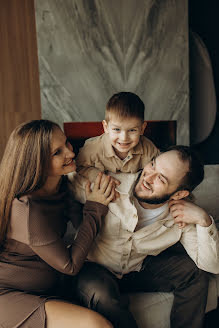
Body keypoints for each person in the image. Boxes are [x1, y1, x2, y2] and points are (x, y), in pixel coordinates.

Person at [71, 145, 219, 328]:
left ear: (179, 194)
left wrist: (204, 221)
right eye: (153, 165)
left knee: (195, 273)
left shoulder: (181, 214)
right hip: (94, 268)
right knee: (102, 295)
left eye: (161, 179)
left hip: (136, 269)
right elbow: (67, 182)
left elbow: (211, 265)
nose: (147, 178)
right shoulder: (112, 183)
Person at [0, 120, 115, 328]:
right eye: (57, 152)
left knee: (103, 295)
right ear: (36, 162)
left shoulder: (61, 186)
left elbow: (83, 229)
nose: (71, 153)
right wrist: (95, 207)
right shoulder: (25, 209)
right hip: (9, 295)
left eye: (67, 144)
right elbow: (70, 265)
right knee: (96, 325)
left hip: (51, 283)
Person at [76, 91, 160, 182]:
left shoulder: (148, 149)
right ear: (106, 127)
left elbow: (160, 168)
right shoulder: (92, 149)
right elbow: (78, 166)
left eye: (132, 130)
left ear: (142, 129)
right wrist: (98, 177)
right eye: (116, 129)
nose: (124, 138)